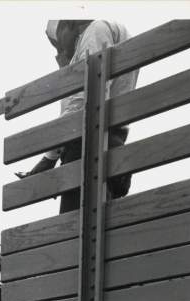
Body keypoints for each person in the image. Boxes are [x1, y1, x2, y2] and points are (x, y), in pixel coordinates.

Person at [18, 20, 138, 213]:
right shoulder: (110, 32)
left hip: (87, 147)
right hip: (109, 144)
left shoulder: (95, 31)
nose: (60, 49)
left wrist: (48, 158)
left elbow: (82, 101)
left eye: (58, 42)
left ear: (69, 25)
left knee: (74, 232)